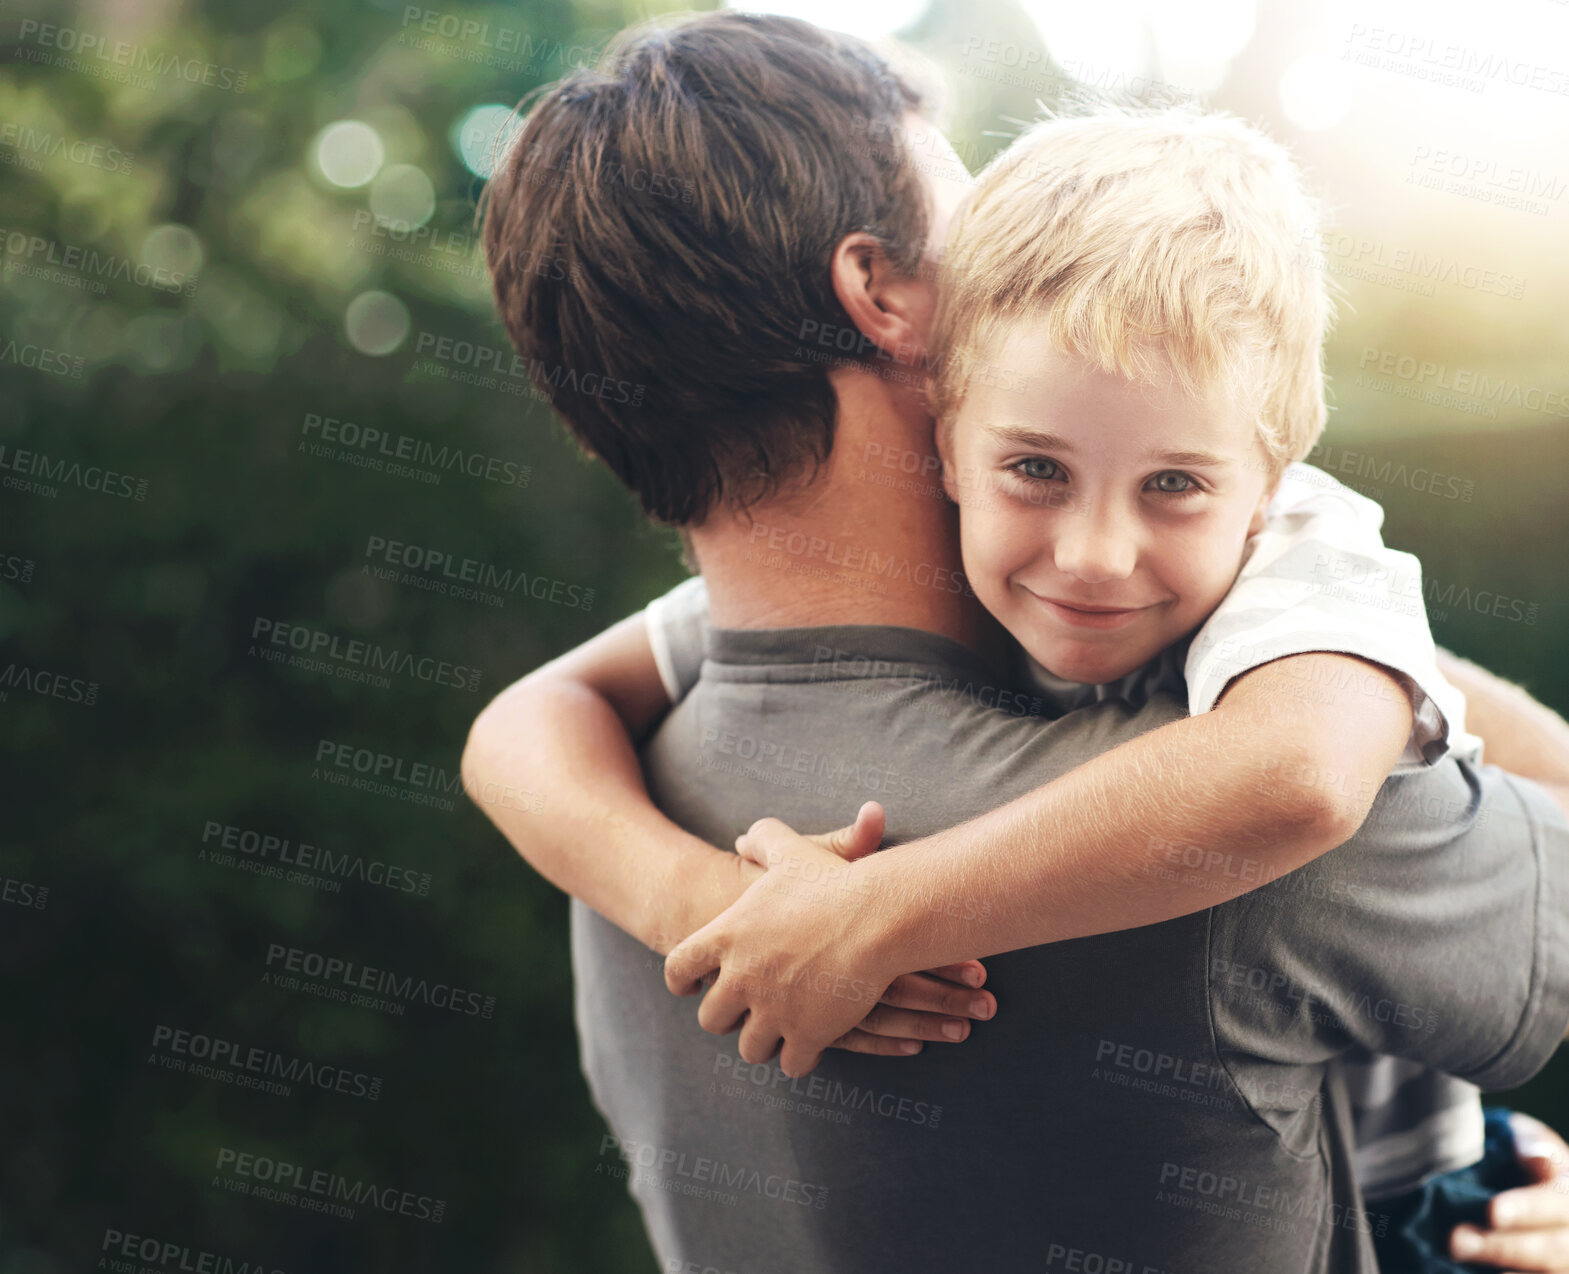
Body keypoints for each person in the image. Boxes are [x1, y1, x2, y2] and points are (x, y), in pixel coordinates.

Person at [467, 11, 1569, 1271]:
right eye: (975, 214)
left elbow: (514, 721)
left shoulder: (632, 802)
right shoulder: (1209, 819)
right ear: (886, 294)